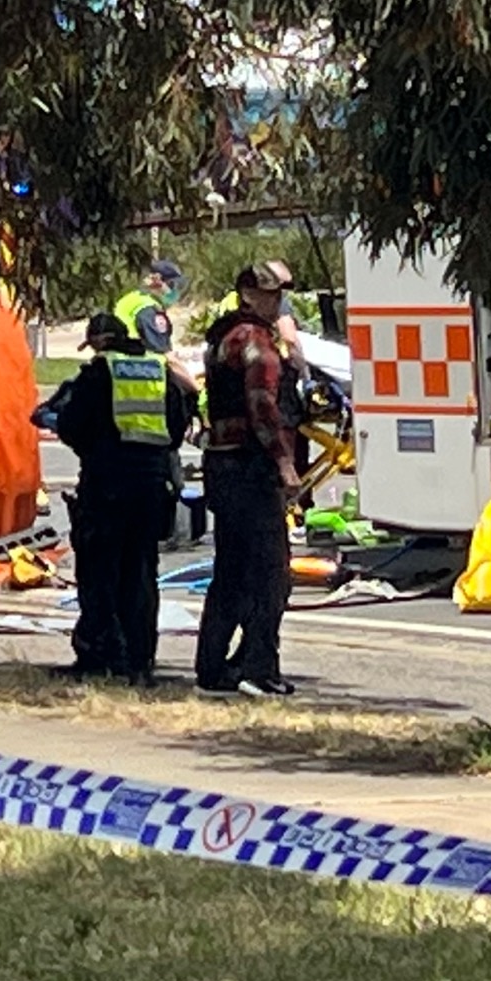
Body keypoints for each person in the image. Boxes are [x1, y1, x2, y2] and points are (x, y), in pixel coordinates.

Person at [50, 311, 197, 680]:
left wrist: (95, 448)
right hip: (151, 484)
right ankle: (140, 658)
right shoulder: (158, 369)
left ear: (99, 342)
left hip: (107, 484)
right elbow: (177, 426)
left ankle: (100, 656)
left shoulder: (99, 373)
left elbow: (70, 424)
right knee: (141, 570)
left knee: (100, 570)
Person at [195, 261, 300, 697]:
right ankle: (258, 668)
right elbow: (262, 407)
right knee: (270, 573)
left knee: (232, 570)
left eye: (279, 295)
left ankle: (213, 668)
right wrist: (285, 464)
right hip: (249, 469)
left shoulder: (225, 336)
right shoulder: (253, 340)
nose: (275, 302)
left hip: (223, 466)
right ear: (246, 294)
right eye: (268, 294)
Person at [113, 260, 184, 358]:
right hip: (143, 365)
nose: (174, 290)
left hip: (123, 363)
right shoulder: (149, 309)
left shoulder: (130, 299)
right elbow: (161, 352)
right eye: (171, 285)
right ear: (157, 281)